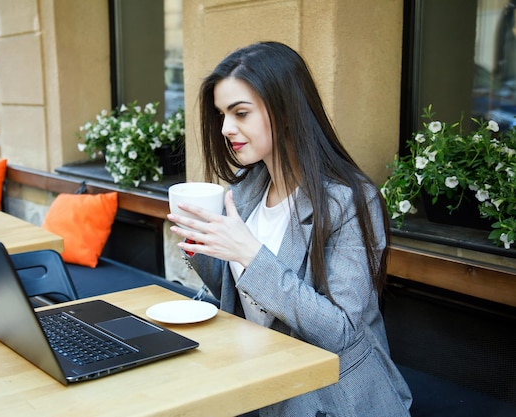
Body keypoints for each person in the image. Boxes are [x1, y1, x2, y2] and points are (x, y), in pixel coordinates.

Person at [166, 41, 412, 417]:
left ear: (285, 111)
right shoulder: (246, 190)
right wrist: (201, 244)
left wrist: (248, 252)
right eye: (222, 114)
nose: (227, 128)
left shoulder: (350, 201)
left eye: (241, 112)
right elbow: (241, 298)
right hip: (257, 384)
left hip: (330, 398)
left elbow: (341, 331)